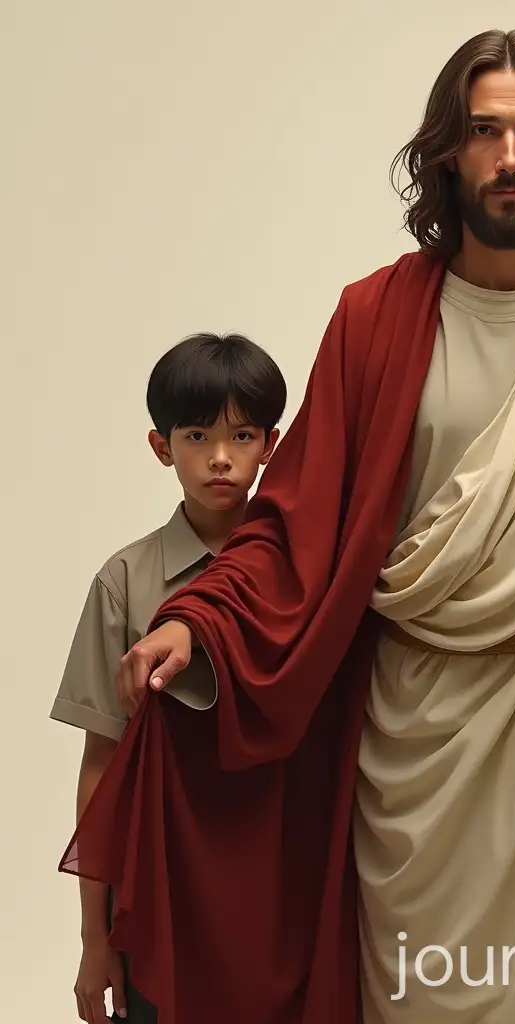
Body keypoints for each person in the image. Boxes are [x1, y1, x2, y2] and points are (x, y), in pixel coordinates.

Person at [60, 29, 515, 1024]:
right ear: (446, 154)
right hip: (416, 723)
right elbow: (296, 521)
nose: (507, 155)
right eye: (483, 131)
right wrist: (197, 620)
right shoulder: (374, 318)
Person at [50, 332, 286, 1023]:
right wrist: (95, 940)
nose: (220, 458)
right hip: (161, 892)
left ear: (271, 443)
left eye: (242, 435)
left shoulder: (296, 575)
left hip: (276, 887)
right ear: (162, 447)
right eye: (196, 435)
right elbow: (100, 768)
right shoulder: (126, 582)